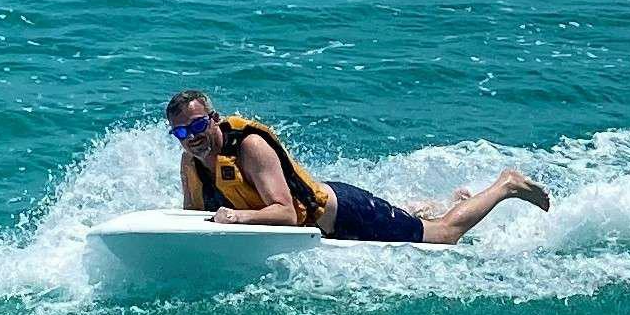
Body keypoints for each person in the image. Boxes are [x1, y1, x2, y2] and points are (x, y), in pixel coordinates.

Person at [164, 90, 551, 246]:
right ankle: (437, 203)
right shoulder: (191, 160)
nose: (192, 136)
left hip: (346, 214)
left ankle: (505, 185)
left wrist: (238, 219)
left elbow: (284, 212)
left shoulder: (250, 147)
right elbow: (195, 215)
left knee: (444, 235)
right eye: (182, 131)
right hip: (327, 200)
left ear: (213, 119)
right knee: (409, 217)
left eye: (198, 126)